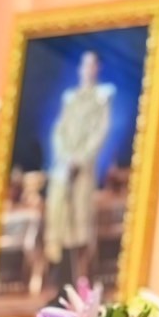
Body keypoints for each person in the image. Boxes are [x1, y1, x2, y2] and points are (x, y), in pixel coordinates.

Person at [43, 50, 114, 285]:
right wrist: (64, 156)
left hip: (83, 169)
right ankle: (61, 279)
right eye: (84, 65)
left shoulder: (102, 97)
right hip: (64, 168)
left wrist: (80, 158)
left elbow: (100, 131)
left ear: (97, 68)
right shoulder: (70, 98)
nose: (87, 69)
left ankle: (82, 279)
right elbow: (59, 130)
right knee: (60, 218)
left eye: (92, 65)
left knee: (81, 223)